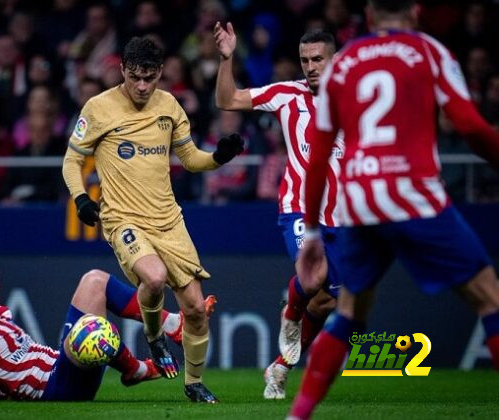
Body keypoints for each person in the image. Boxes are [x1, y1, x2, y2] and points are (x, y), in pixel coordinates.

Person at [289, 1, 499, 418]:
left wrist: (311, 232)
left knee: (349, 312)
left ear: (368, 15)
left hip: (360, 200)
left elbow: (318, 157)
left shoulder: (344, 63)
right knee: (491, 299)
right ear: (416, 11)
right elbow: (472, 126)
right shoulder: (430, 52)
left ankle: (298, 415)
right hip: (412, 194)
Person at [62, 36, 243, 403]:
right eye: (135, 78)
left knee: (194, 308)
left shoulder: (169, 106)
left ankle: (193, 383)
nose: (142, 86)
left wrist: (218, 158)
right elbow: (71, 160)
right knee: (155, 277)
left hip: (168, 220)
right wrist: (81, 198)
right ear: (122, 71)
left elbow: (191, 159)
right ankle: (154, 334)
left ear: (160, 73)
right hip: (123, 218)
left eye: (150, 78)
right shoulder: (99, 108)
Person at [214, 22, 342, 399]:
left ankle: (281, 365)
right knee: (313, 276)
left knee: (327, 299)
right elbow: (228, 100)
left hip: (343, 216)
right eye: (305, 60)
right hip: (300, 207)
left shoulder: (356, 99)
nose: (310, 67)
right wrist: (226, 59)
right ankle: (291, 313)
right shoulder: (287, 94)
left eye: (318, 59)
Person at [0, 255, 216, 402]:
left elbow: (5, 365)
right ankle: (135, 370)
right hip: (57, 389)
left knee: (95, 280)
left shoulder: (0, 315)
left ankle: (172, 324)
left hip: (62, 366)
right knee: (93, 331)